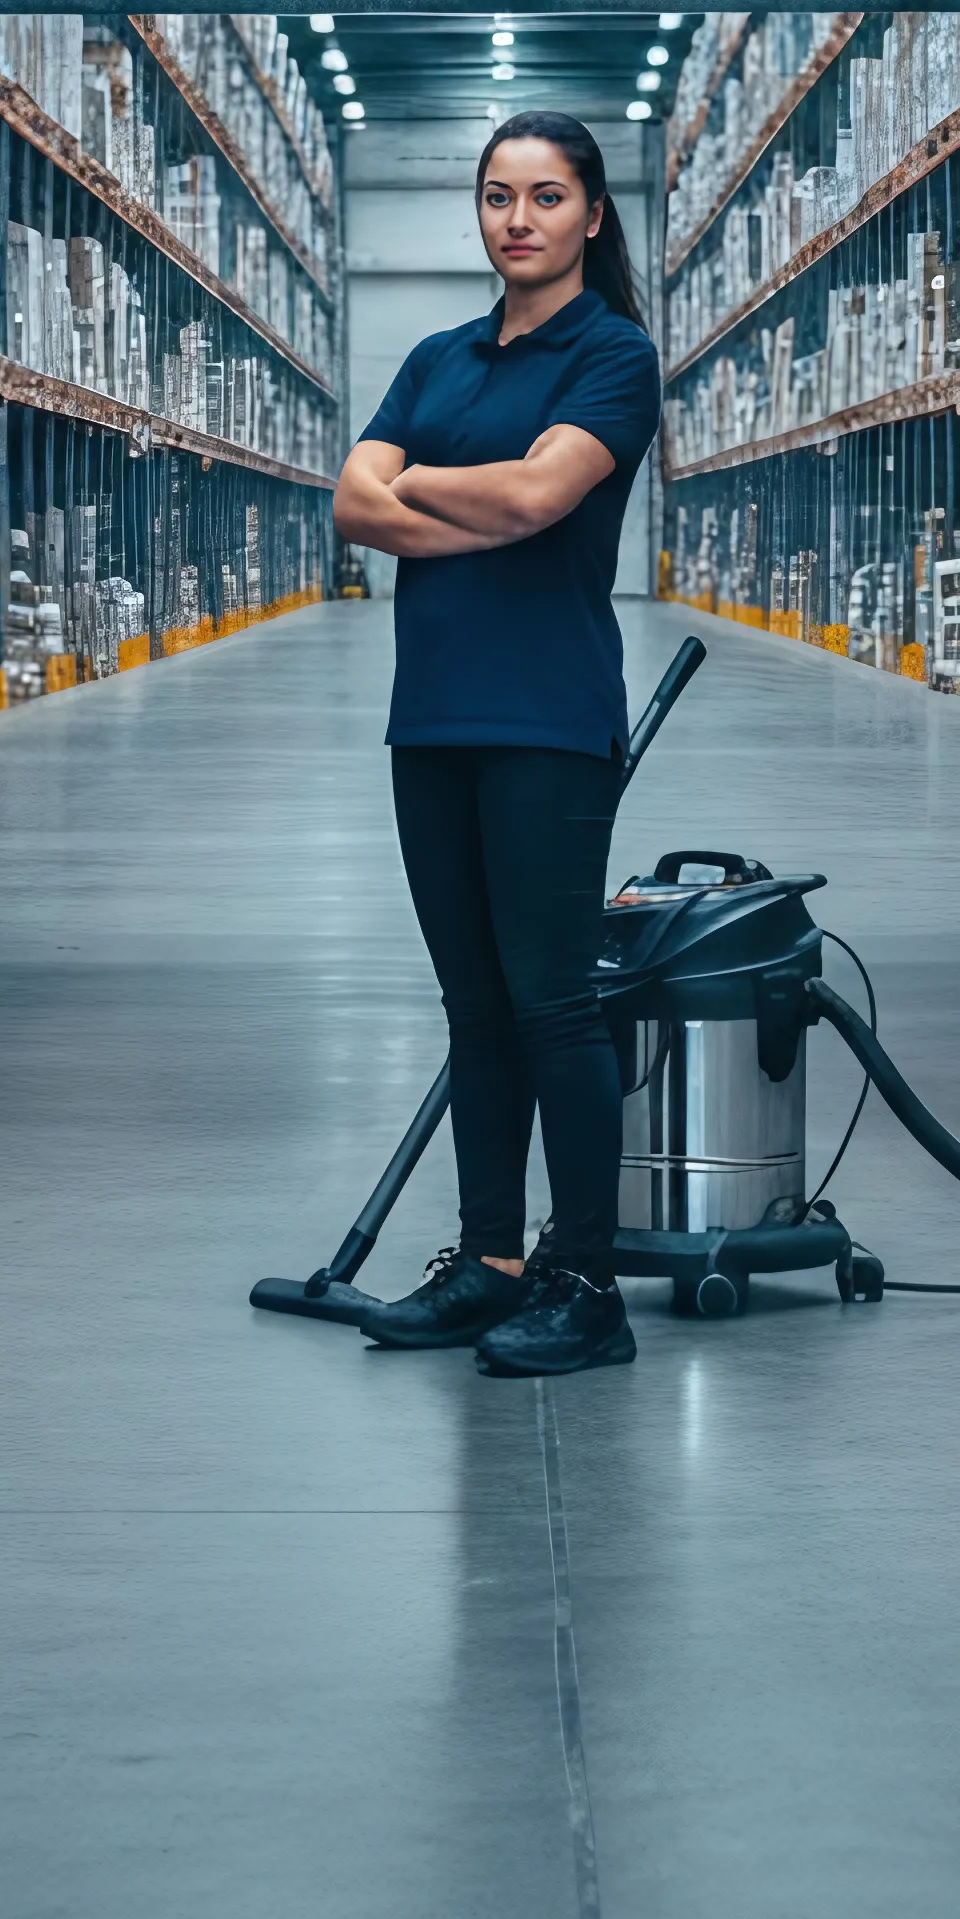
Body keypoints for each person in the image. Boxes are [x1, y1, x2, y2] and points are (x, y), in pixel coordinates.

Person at [329, 107, 665, 1375]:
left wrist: (419, 484)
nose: (517, 219)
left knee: (554, 1007)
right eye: (495, 196)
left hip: (549, 719)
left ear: (590, 214)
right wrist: (460, 498)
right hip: (435, 716)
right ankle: (492, 1260)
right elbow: (353, 508)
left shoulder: (612, 355)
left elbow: (540, 494)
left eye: (544, 196)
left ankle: (588, 1279)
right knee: (474, 1008)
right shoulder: (435, 355)